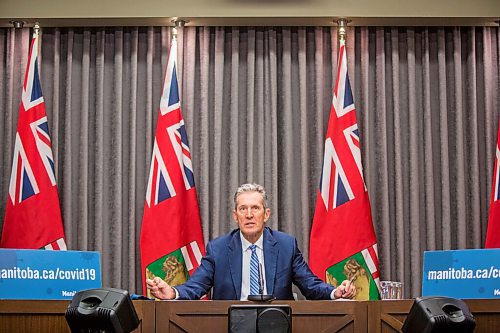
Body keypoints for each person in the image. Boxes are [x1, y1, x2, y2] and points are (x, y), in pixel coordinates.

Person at [146, 183, 356, 300]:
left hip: (276, 325)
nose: (249, 214)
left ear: (266, 214)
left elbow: (310, 285)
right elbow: (195, 286)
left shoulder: (286, 246)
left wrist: (335, 292)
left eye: (255, 208)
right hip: (232, 326)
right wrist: (172, 292)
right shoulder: (218, 249)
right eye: (242, 209)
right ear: (235, 216)